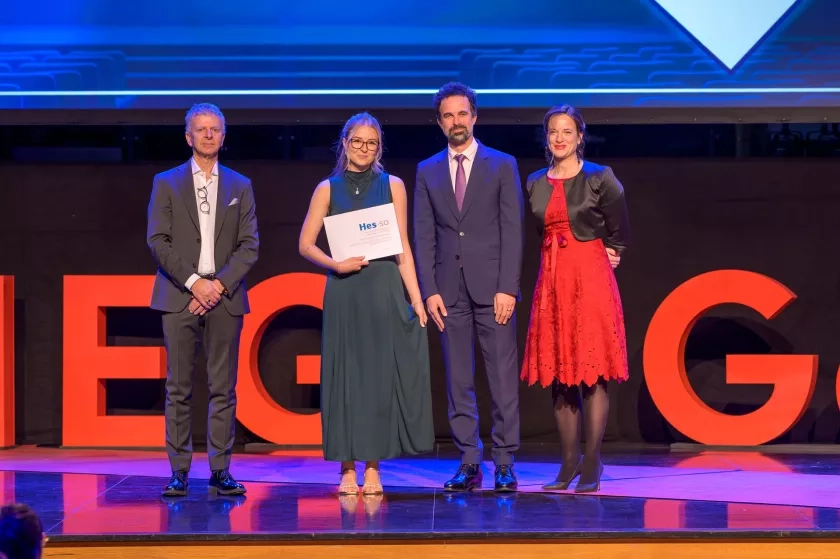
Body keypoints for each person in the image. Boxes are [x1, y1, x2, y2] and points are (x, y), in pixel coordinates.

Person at [298, 112, 434, 496]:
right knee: (346, 379)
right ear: (345, 143)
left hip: (384, 291)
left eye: (371, 143)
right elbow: (305, 244)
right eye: (357, 141)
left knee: (377, 381)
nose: (364, 148)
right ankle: (345, 467)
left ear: (379, 147)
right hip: (345, 291)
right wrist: (335, 264)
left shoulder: (394, 185)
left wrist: (416, 297)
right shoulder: (327, 188)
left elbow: (402, 246)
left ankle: (373, 465)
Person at [413, 82, 524, 492]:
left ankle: (505, 461)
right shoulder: (427, 170)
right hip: (448, 292)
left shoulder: (502, 164)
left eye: (462, 114)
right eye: (448, 116)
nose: (456, 122)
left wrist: (508, 287)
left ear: (474, 117)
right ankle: (468, 460)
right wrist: (429, 290)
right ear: (439, 122)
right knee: (458, 380)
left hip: (493, 290)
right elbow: (423, 234)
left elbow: (512, 230)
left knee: (501, 378)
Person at [147, 102, 258, 497]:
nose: (208, 135)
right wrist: (195, 282)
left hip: (225, 298)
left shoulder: (240, 185)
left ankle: (220, 470)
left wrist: (218, 286)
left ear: (223, 137)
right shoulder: (166, 182)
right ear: (188, 136)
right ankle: (178, 471)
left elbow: (249, 246)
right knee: (178, 387)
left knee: (222, 388)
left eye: (215, 129)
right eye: (201, 129)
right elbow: (157, 240)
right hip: (179, 296)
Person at [520, 104, 630, 493]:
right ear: (546, 137)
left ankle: (593, 461)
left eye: (567, 131)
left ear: (580, 136)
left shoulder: (600, 177)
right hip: (552, 280)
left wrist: (611, 250)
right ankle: (568, 463)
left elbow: (619, 225)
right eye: (553, 132)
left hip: (591, 277)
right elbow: (539, 228)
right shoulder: (534, 181)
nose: (560, 138)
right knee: (561, 375)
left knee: (593, 371)